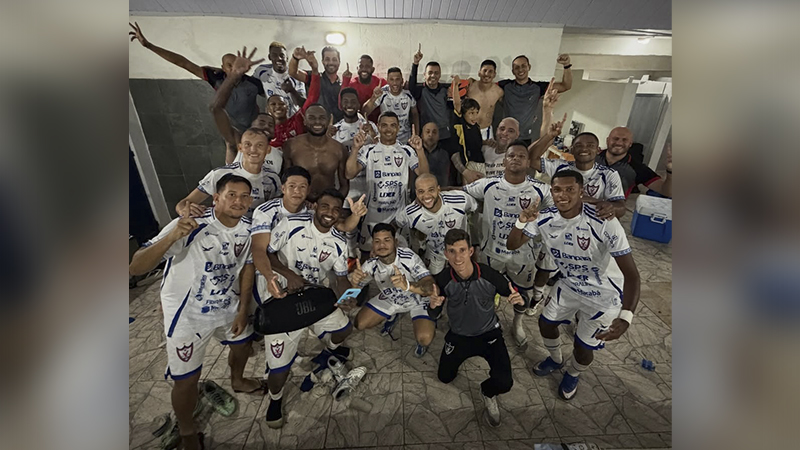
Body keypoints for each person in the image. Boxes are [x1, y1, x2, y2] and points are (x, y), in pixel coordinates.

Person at [129, 174, 264, 450]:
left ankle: (237, 380)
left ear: (250, 201)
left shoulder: (250, 229)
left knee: (243, 346)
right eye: (231, 195)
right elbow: (136, 267)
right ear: (216, 198)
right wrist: (172, 236)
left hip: (227, 306)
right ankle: (188, 431)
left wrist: (242, 310)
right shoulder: (190, 224)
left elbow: (247, 267)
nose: (238, 201)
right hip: (187, 316)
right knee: (187, 380)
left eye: (244, 196)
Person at [506, 170, 640, 401]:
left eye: (570, 189)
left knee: (582, 347)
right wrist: (521, 221)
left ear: (581, 191)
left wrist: (626, 316)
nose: (563, 195)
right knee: (545, 324)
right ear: (552, 192)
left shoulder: (604, 221)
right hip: (569, 284)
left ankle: (573, 373)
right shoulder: (545, 218)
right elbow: (512, 244)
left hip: (604, 296)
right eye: (557, 189)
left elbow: (632, 274)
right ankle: (556, 359)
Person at [262, 189, 354, 428]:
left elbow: (341, 276)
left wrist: (347, 294)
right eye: (325, 207)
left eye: (336, 210)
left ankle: (328, 352)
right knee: (278, 371)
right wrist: (289, 274)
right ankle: (275, 400)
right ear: (315, 207)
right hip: (282, 299)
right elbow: (267, 254)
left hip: (314, 297)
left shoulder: (340, 242)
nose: (330, 213)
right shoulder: (290, 224)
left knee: (345, 328)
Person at [428, 228, 524, 427]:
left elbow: (521, 301)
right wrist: (433, 307)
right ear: (445, 254)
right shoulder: (443, 279)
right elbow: (433, 314)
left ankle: (487, 392)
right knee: (444, 377)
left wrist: (520, 301)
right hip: (458, 335)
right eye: (452, 251)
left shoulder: (490, 275)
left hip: (489, 334)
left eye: (462, 250)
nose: (458, 257)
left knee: (505, 382)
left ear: (471, 251)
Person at [462, 142, 553, 347]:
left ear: (528, 162)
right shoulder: (488, 184)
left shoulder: (541, 190)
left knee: (521, 293)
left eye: (521, 156)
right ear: (504, 161)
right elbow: (462, 193)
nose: (516, 159)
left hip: (523, 256)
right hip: (491, 252)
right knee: (486, 289)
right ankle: (486, 322)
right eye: (511, 155)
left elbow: (559, 211)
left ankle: (517, 324)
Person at [250, 167, 366, 303]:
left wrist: (356, 215)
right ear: (283, 188)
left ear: (308, 190)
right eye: (292, 186)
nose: (297, 191)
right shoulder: (266, 212)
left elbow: (344, 226)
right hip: (273, 271)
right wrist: (272, 277)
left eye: (302, 187)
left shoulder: (312, 211)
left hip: (304, 278)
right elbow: (259, 250)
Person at [129, 23, 263, 133]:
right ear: (223, 68)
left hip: (256, 128)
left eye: (236, 64)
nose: (234, 68)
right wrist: (148, 45)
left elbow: (273, 95)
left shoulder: (253, 83)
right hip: (234, 131)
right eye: (230, 65)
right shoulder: (216, 78)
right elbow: (183, 63)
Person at [346, 112, 430, 252]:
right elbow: (349, 174)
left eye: (393, 125)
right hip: (372, 216)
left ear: (398, 128)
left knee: (401, 255)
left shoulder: (407, 151)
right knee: (369, 253)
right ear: (378, 126)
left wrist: (420, 150)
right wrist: (355, 149)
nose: (388, 129)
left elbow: (425, 176)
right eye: (384, 125)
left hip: (399, 216)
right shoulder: (368, 150)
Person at [350, 223, 437, 357]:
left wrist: (407, 286)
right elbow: (351, 296)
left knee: (424, 338)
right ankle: (394, 314)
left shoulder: (408, 258)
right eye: (377, 241)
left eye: (387, 240)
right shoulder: (370, 265)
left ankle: (421, 336)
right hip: (391, 299)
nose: (382, 245)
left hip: (417, 300)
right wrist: (354, 284)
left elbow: (430, 287)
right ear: (372, 244)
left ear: (395, 242)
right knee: (360, 324)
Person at [176, 129, 281, 219]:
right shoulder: (220, 174)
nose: (253, 150)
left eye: (260, 145)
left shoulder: (273, 179)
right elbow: (183, 203)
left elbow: (274, 210)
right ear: (240, 148)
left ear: (268, 150)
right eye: (247, 144)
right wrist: (185, 210)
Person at [208, 49, 282, 171]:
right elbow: (215, 108)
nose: (266, 127)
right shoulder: (238, 142)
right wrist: (233, 76)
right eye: (262, 123)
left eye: (270, 124)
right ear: (252, 125)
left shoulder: (277, 153)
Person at [395, 174, 478, 273]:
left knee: (465, 277)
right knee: (435, 281)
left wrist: (476, 241)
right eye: (421, 191)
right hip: (435, 252)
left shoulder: (459, 200)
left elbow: (477, 208)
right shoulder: (411, 213)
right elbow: (394, 225)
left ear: (439, 189)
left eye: (431, 190)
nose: (426, 196)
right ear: (416, 193)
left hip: (460, 251)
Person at [498, 54, 572, 144]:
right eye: (516, 67)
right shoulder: (505, 85)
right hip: (506, 136)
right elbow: (484, 85)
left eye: (523, 66)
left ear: (529, 67)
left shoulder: (538, 87)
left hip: (526, 138)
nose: (520, 69)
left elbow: (566, 86)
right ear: (513, 71)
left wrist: (566, 65)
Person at [283, 103, 349, 201]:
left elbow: (345, 186)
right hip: (299, 203)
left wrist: (332, 204)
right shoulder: (291, 146)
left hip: (326, 206)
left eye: (322, 118)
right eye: (312, 118)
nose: (317, 122)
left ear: (328, 120)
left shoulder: (339, 149)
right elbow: (285, 182)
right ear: (304, 121)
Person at [329, 87, 379, 206]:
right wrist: (326, 138)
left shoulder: (371, 127)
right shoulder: (335, 130)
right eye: (345, 101)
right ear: (341, 104)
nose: (349, 105)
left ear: (358, 104)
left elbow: (381, 153)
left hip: (370, 188)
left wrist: (373, 135)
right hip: (347, 191)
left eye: (353, 101)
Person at [597, 127, 673, 198]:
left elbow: (667, 192)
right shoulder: (593, 157)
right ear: (607, 140)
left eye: (624, 140)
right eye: (615, 139)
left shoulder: (637, 167)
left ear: (630, 144)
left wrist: (670, 171)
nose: (619, 143)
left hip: (611, 210)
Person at [409, 44, 453, 145]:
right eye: (430, 73)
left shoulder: (446, 91)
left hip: (444, 133)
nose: (433, 75)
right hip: (427, 133)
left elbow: (454, 109)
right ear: (425, 75)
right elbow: (412, 87)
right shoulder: (421, 90)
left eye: (436, 73)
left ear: (440, 75)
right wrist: (415, 64)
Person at [363, 67, 419, 145]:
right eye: (391, 79)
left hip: (405, 139)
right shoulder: (382, 93)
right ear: (387, 81)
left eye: (397, 79)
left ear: (402, 81)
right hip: (386, 136)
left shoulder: (408, 95)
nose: (395, 83)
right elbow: (364, 112)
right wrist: (373, 97)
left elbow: (415, 114)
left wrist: (416, 134)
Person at [289, 46, 343, 122]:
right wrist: (295, 58)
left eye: (334, 59)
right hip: (316, 127)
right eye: (327, 59)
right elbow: (293, 72)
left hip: (338, 129)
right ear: (322, 61)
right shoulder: (314, 77)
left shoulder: (343, 85)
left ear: (339, 62)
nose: (331, 62)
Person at [254, 41, 307, 117]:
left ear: (287, 58)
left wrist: (292, 91)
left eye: (282, 55)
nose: (279, 58)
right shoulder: (261, 71)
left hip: (293, 121)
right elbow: (250, 86)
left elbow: (304, 104)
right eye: (274, 55)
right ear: (270, 57)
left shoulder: (296, 74)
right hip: (273, 121)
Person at [449, 75, 485, 184]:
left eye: (476, 113)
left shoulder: (476, 127)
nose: (474, 116)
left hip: (481, 163)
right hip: (468, 165)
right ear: (463, 114)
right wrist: (455, 85)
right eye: (471, 113)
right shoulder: (460, 123)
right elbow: (456, 103)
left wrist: (486, 142)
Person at [466, 60, 504, 140]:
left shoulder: (499, 92)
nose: (487, 74)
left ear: (494, 74)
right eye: (484, 71)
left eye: (490, 71)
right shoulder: (470, 87)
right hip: (469, 128)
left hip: (486, 130)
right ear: (479, 73)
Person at [418, 122, 454, 188]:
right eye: (427, 132)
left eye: (434, 132)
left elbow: (443, 179)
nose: (430, 135)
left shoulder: (443, 154)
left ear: (438, 136)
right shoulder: (415, 152)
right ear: (422, 135)